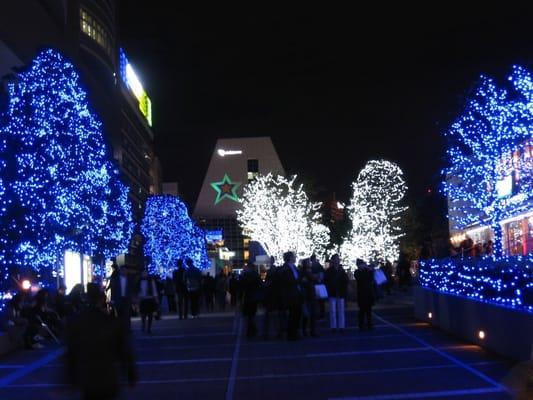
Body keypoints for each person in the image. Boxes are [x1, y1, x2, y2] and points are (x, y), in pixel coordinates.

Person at [66, 283, 137, 400]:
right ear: (101, 299)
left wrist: (70, 378)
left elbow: (71, 353)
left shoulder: (77, 322)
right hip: (108, 374)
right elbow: (124, 350)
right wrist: (130, 373)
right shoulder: (111, 322)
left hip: (87, 375)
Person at [279, 251, 303, 341]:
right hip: (290, 295)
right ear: (290, 258)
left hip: (297, 294)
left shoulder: (294, 268)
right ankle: (291, 333)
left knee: (297, 314)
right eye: (293, 256)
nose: (295, 258)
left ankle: (295, 332)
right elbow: (287, 282)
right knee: (292, 315)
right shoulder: (285, 269)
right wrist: (297, 281)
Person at [324, 254, 348, 333]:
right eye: (336, 259)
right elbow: (326, 281)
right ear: (333, 260)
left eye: (338, 259)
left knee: (340, 310)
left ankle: (341, 327)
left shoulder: (340, 270)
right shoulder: (331, 270)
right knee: (333, 310)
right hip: (333, 291)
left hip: (339, 291)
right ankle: (334, 327)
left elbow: (345, 280)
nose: (338, 260)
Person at [240, 263, 263, 338]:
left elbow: (242, 287)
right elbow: (260, 285)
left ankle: (251, 330)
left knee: (248, 315)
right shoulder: (255, 275)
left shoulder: (245, 276)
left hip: (247, 297)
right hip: (254, 297)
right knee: (252, 315)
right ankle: (252, 330)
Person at [354, 259, 376, 330]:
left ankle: (369, 324)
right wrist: (367, 269)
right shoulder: (357, 272)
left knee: (369, 310)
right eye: (361, 264)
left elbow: (371, 278)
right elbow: (360, 279)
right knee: (362, 311)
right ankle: (361, 325)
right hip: (361, 293)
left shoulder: (367, 271)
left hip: (368, 293)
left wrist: (370, 270)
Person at [299, 258, 318, 337]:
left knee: (311, 314)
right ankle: (306, 330)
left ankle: (310, 331)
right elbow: (304, 282)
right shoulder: (303, 273)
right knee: (306, 315)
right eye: (308, 263)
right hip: (306, 295)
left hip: (310, 295)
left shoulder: (309, 272)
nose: (310, 264)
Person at [310, 254, 326, 320]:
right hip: (318, 285)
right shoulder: (318, 266)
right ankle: (321, 314)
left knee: (319, 301)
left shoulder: (314, 266)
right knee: (320, 301)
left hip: (316, 285)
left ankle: (320, 314)